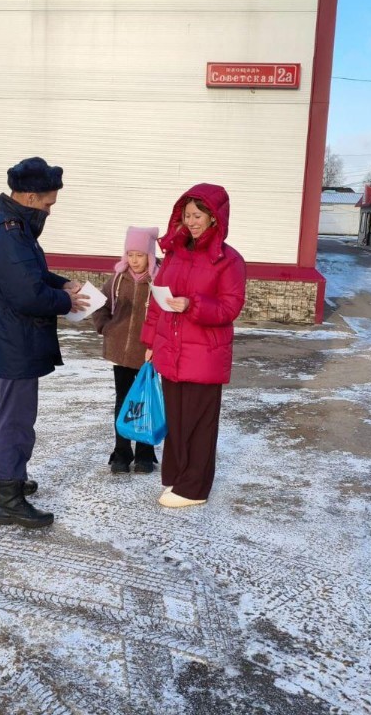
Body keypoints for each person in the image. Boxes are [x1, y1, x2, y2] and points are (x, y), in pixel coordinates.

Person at [0, 156, 89, 528]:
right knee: (16, 418)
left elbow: (30, 273)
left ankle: (6, 478)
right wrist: (65, 301)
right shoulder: (7, 233)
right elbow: (26, 293)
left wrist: (60, 283)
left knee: (5, 410)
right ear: (31, 197)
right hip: (15, 338)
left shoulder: (8, 226)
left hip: (8, 335)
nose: (50, 211)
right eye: (49, 203)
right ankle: (9, 495)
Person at [141, 183, 246, 508]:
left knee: (199, 424)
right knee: (176, 419)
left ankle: (194, 488)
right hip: (171, 351)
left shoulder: (229, 260)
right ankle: (177, 476)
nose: (192, 221)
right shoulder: (173, 254)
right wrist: (149, 342)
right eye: (187, 215)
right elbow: (157, 302)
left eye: (199, 215)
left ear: (214, 218)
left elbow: (231, 307)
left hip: (205, 355)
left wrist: (194, 305)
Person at [92, 226, 160, 475]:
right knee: (123, 402)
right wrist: (105, 327)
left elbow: (165, 316)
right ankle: (121, 452)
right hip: (121, 353)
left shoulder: (159, 281)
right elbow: (99, 304)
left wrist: (157, 345)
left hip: (147, 355)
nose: (134, 259)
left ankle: (144, 453)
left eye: (139, 255)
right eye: (130, 254)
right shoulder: (118, 279)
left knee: (144, 402)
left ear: (150, 255)